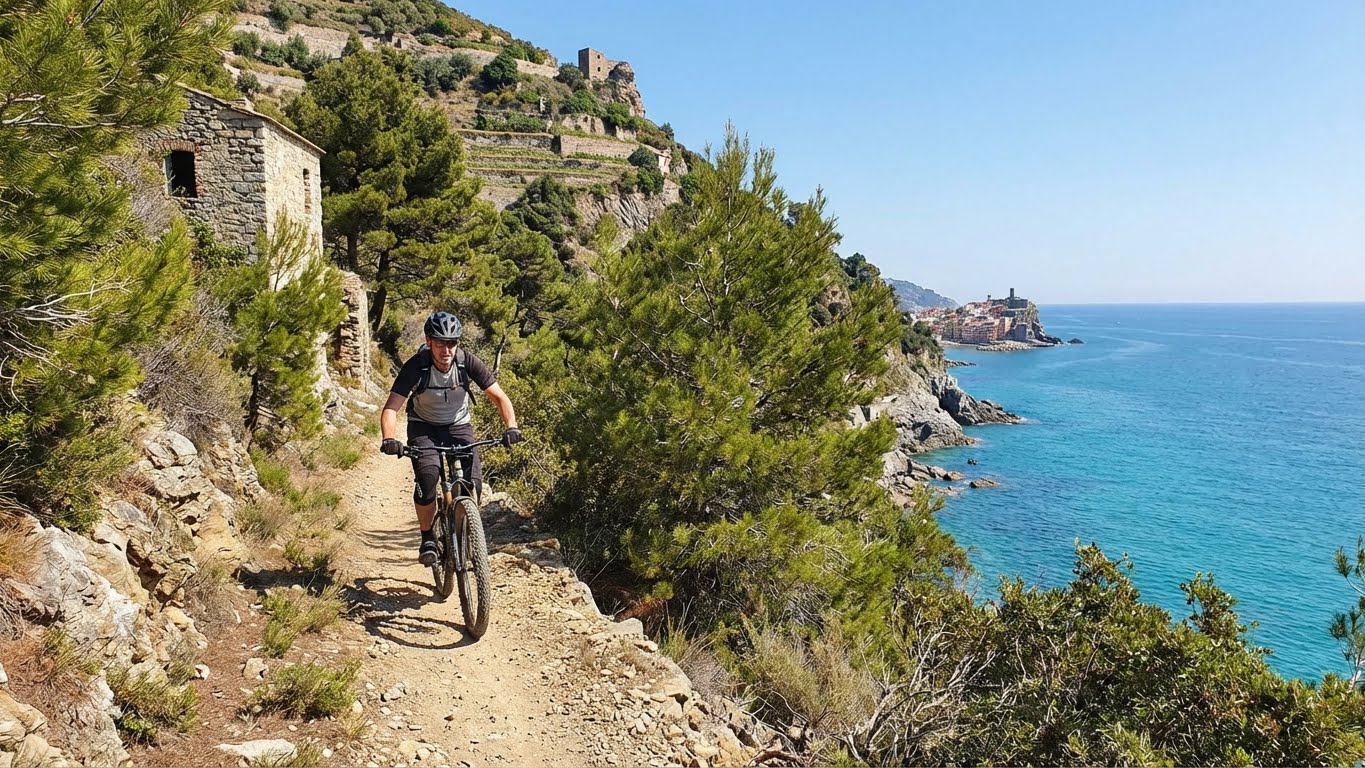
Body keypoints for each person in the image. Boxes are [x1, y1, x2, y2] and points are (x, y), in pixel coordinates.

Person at [379, 311, 523, 565]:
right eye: (440, 342)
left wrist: (511, 426)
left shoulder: (467, 363)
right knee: (428, 476)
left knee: (473, 483)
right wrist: (389, 438)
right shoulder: (417, 366)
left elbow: (500, 397)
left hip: (458, 425)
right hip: (423, 426)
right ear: (429, 341)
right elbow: (392, 408)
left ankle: (462, 531)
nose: (447, 349)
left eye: (452, 343)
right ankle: (428, 538)